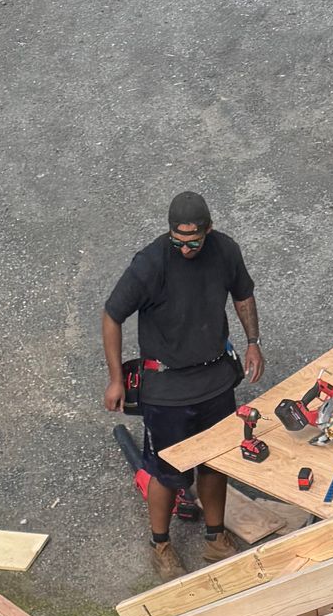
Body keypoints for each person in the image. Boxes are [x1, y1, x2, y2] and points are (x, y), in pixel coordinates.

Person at [103, 191, 263, 581]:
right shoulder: (150, 263)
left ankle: (215, 539)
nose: (187, 249)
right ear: (170, 232)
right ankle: (161, 545)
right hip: (166, 389)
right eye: (179, 241)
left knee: (214, 463)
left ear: (209, 229)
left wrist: (253, 342)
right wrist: (115, 379)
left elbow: (243, 296)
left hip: (215, 380)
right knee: (167, 471)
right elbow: (111, 316)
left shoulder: (225, 250)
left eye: (194, 241)